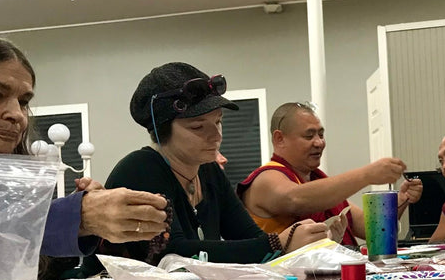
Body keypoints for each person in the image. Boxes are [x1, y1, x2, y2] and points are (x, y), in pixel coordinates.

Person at [90, 63, 326, 267]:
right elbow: (176, 254)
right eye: (198, 127)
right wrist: (279, 242)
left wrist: (290, 241)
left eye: (218, 122)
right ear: (161, 131)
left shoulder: (208, 170)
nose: (216, 136)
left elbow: (248, 236)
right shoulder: (140, 170)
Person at [0, 31, 168, 257]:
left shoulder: (10, 188)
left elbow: (16, 263)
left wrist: (86, 225)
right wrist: (78, 215)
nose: (18, 114)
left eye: (24, 102)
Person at [237, 101, 422, 246]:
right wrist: (367, 175)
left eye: (321, 134)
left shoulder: (318, 182)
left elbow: (372, 230)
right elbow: (296, 199)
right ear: (279, 138)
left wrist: (399, 201)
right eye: (309, 136)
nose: (319, 143)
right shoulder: (266, 178)